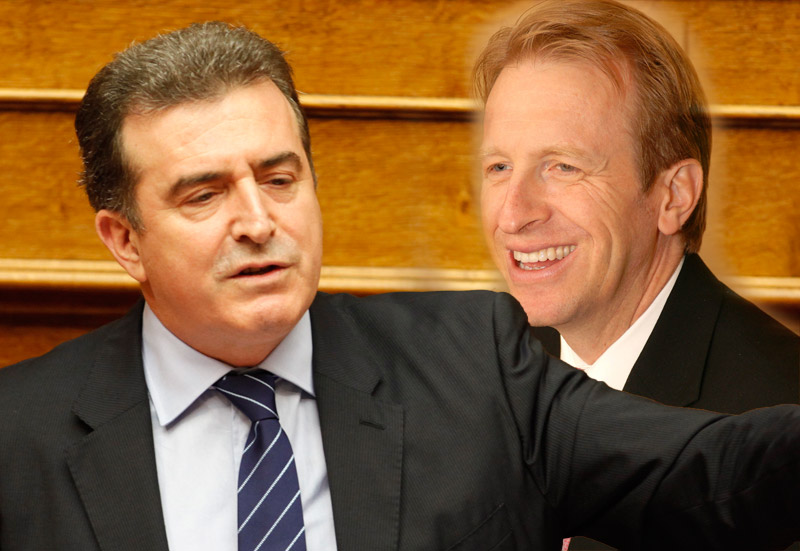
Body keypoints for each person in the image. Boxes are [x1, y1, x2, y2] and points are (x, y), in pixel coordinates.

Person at [0, 21, 798, 551]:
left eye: (279, 178)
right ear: (125, 239)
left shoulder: (474, 365)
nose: (258, 221)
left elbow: (712, 475)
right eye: (204, 194)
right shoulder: (18, 435)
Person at [475, 0, 798, 418]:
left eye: (564, 167)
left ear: (674, 196)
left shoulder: (778, 419)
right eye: (500, 167)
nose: (512, 216)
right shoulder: (485, 377)